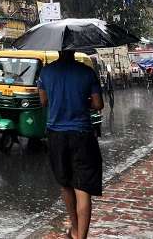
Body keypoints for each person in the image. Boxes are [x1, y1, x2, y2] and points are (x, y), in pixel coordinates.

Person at [38, 50, 104, 239]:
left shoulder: (46, 72)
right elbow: (98, 104)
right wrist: (83, 102)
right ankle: (81, 236)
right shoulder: (86, 72)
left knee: (65, 184)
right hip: (82, 134)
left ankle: (74, 229)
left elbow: (43, 101)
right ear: (74, 49)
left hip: (56, 135)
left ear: (58, 50)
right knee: (83, 189)